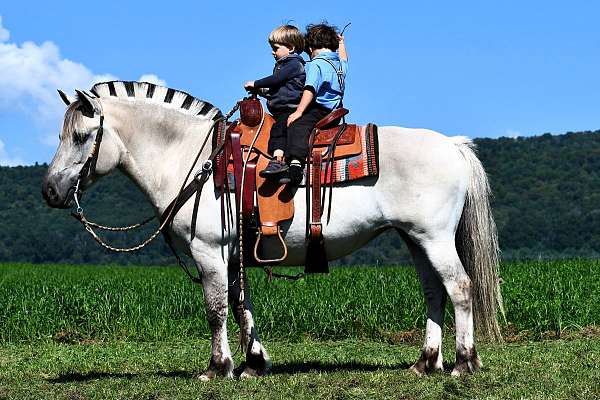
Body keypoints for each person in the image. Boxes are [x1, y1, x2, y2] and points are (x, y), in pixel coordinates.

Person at [282, 22, 348, 185]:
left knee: (298, 126)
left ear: (311, 49)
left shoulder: (315, 64)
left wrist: (298, 112)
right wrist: (341, 43)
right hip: (335, 113)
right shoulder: (339, 65)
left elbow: (310, 89)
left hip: (319, 110)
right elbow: (345, 58)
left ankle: (296, 165)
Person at [244, 25, 306, 180]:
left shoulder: (293, 64)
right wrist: (261, 92)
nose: (273, 52)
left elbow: (275, 80)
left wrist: (256, 83)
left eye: (276, 48)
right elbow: (277, 89)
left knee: (279, 130)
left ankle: (277, 160)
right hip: (280, 109)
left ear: (290, 48)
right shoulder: (282, 65)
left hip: (288, 109)